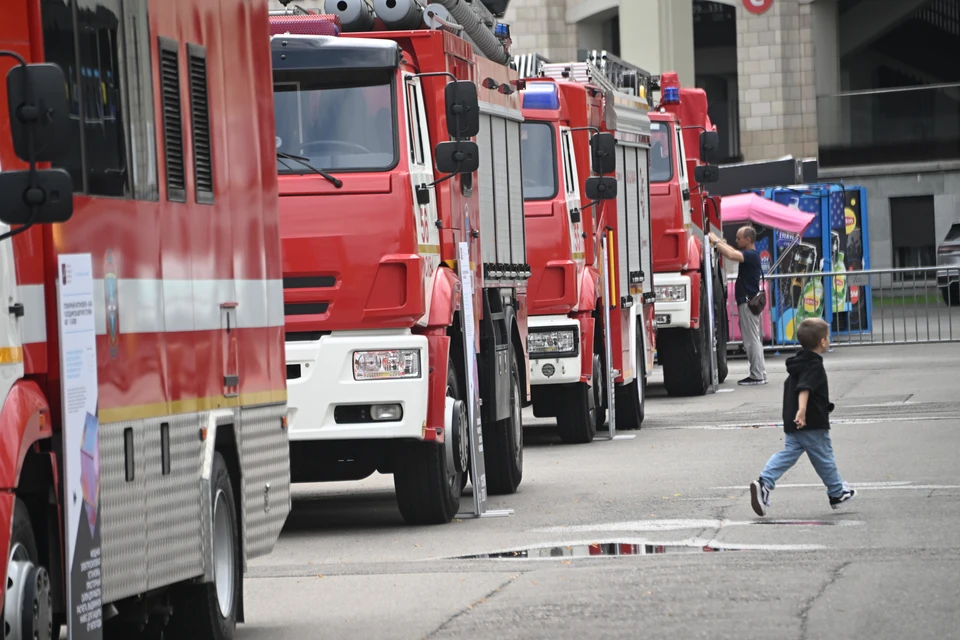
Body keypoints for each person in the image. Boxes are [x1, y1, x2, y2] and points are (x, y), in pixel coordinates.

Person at [749, 318, 856, 516]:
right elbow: (804, 388)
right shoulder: (813, 365)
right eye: (828, 337)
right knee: (824, 456)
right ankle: (836, 492)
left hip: (793, 421)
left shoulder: (798, 362)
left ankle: (764, 482)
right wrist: (802, 410)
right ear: (823, 342)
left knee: (788, 454)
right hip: (810, 422)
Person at [708, 227, 766, 385]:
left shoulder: (751, 255)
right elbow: (731, 251)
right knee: (753, 339)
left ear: (748, 240)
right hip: (748, 302)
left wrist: (716, 241)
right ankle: (760, 372)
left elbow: (731, 254)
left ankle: (757, 375)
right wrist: (719, 242)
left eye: (739, 238)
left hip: (748, 303)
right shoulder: (751, 255)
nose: (736, 240)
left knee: (751, 340)